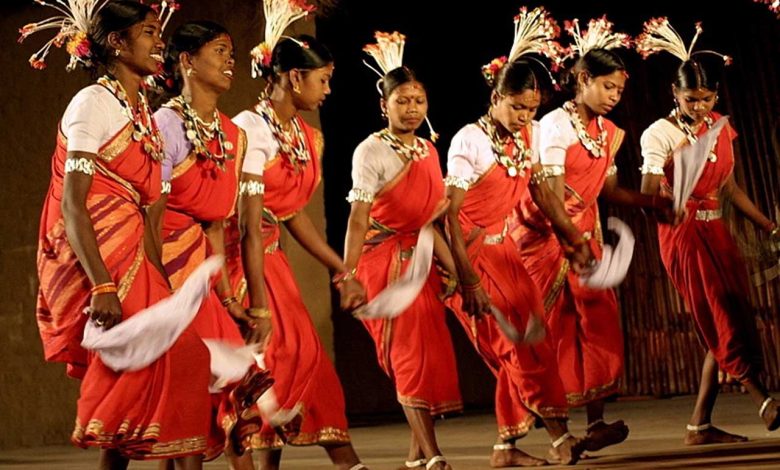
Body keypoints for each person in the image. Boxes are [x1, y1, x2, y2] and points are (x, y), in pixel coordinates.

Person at [29, 1, 212, 467]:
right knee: (164, 361)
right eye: (149, 32)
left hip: (136, 259)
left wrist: (163, 286)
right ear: (116, 42)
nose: (159, 41)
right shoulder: (92, 103)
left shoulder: (142, 112)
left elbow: (146, 210)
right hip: (105, 262)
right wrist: (103, 285)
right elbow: (73, 202)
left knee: (159, 365)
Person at [512, 16, 671, 453]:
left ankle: (596, 422)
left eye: (619, 90)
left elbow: (609, 190)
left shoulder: (606, 133)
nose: (615, 96)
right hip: (545, 236)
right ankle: (556, 431)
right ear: (582, 80)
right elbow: (547, 194)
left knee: (596, 323)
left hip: (583, 234)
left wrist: (655, 203)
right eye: (607, 87)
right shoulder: (554, 126)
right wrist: (572, 240)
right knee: (555, 331)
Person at [444, 8, 591, 466]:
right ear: (495, 98)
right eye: (516, 107)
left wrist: (572, 237)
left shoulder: (529, 135)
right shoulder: (469, 141)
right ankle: (561, 438)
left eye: (531, 109)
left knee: (532, 340)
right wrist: (467, 279)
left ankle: (505, 448)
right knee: (516, 345)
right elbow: (447, 216)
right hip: (468, 256)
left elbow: (541, 193)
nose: (525, 116)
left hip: (504, 252)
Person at [231, 2, 367, 468]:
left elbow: (292, 214)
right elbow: (247, 225)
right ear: (293, 78)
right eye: (322, 80)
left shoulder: (307, 136)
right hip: (243, 263)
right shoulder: (250, 129)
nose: (328, 90)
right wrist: (256, 304)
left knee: (298, 360)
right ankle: (349, 463)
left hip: (273, 261)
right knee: (277, 364)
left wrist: (341, 269)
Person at [637, 18, 780, 445]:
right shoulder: (660, 134)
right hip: (683, 236)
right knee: (720, 314)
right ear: (674, 93)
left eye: (707, 98)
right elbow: (647, 195)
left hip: (717, 229)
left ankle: (699, 425)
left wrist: (768, 225)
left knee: (726, 315)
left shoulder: (720, 127)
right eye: (691, 99)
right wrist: (670, 196)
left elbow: (729, 188)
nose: (699, 106)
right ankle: (763, 401)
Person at [342, 31, 462, 470]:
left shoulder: (428, 150)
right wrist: (347, 275)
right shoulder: (369, 151)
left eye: (419, 101)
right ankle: (433, 455)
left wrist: (456, 270)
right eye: (402, 101)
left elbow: (430, 220)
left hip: (422, 259)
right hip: (382, 263)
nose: (412, 108)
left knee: (427, 356)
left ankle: (415, 458)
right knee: (408, 356)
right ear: (384, 106)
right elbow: (358, 219)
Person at [153, 20, 270, 467]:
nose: (230, 60)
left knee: (225, 388)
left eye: (231, 53)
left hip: (202, 275)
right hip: (166, 269)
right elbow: (152, 215)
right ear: (187, 60)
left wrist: (228, 298)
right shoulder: (163, 124)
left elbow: (216, 224)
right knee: (191, 388)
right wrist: (157, 293)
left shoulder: (233, 134)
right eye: (220, 51)